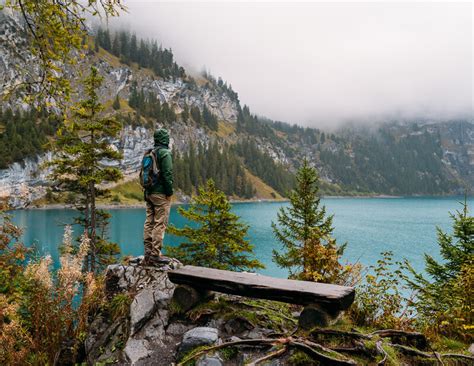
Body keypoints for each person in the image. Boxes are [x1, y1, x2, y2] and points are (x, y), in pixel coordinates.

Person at [143, 128, 173, 266]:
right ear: (165, 139)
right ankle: (155, 255)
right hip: (160, 194)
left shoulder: (150, 153)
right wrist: (169, 192)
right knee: (160, 223)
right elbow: (167, 175)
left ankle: (148, 254)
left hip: (148, 193)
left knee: (149, 221)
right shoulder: (164, 153)